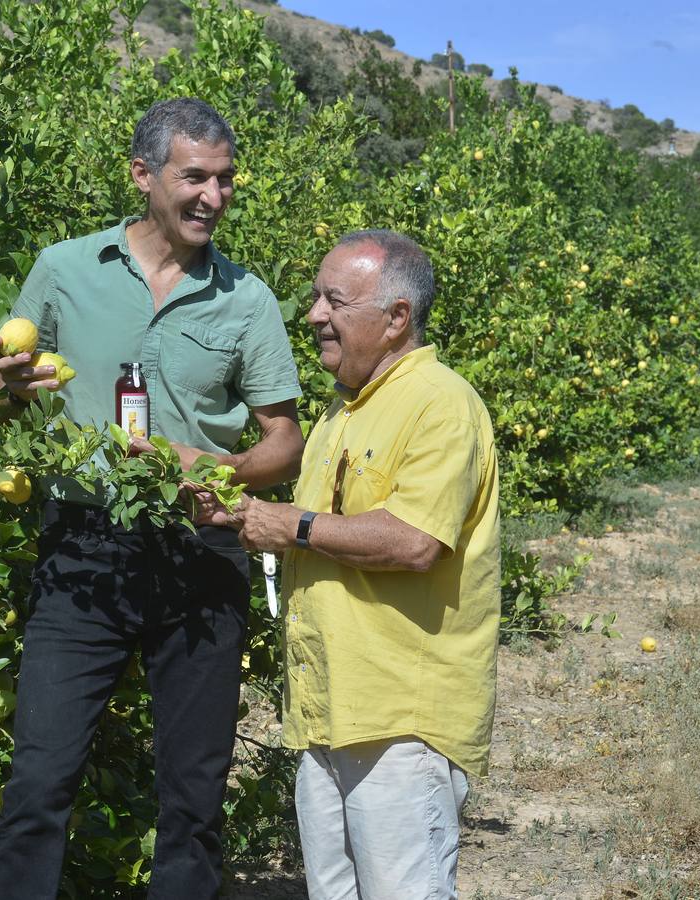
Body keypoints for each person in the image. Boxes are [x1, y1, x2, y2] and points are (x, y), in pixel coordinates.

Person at [0, 98, 304, 899]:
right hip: (84, 550)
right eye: (196, 177)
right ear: (143, 175)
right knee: (39, 781)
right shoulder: (63, 270)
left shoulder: (247, 299)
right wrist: (4, 385)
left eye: (226, 181)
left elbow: (284, 441)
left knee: (193, 798)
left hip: (200, 551)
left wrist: (214, 467)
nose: (214, 197)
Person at [201, 230, 500, 900]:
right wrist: (245, 515)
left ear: (396, 319)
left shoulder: (440, 404)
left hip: (400, 720)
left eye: (333, 300)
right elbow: (326, 534)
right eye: (315, 297)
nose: (312, 314)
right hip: (330, 708)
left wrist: (291, 525)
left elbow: (416, 541)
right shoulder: (342, 412)